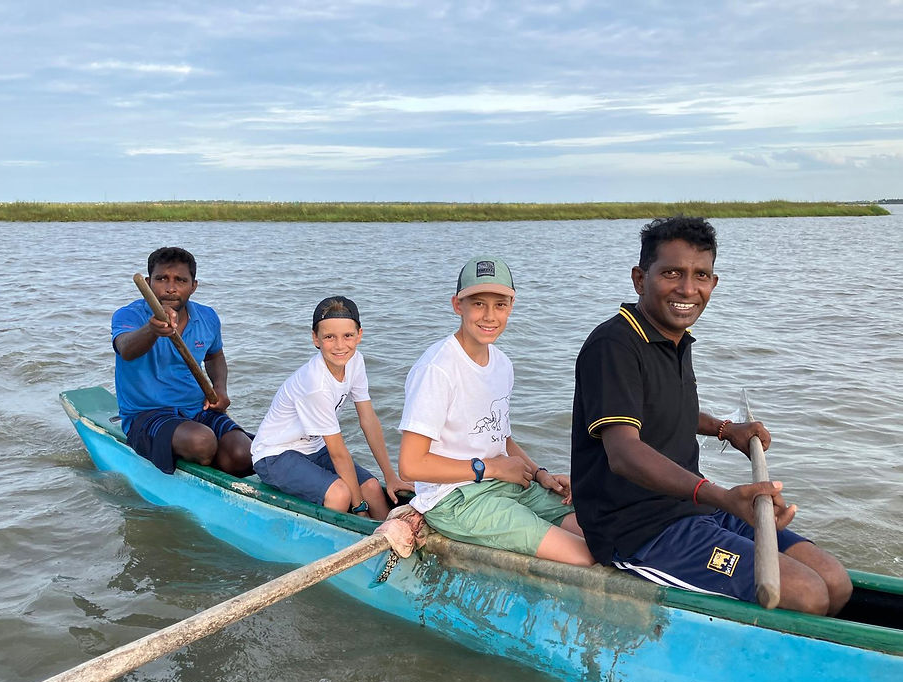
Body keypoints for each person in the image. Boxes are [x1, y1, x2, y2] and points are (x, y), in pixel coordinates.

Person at [570, 216, 852, 615]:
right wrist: (721, 495)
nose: (688, 289)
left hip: (694, 508)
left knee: (835, 580)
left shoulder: (674, 338)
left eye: (700, 275)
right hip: (640, 530)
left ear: (713, 283)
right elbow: (624, 452)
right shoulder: (614, 345)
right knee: (806, 593)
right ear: (639, 279)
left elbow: (664, 408)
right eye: (671, 273)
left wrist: (725, 429)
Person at [398, 257, 593, 565]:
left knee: (597, 531)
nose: (489, 316)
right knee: (584, 556)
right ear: (457, 305)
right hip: (456, 499)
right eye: (478, 304)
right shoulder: (437, 369)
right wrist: (490, 468)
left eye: (500, 305)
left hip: (504, 483)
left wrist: (540, 474)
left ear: (511, 306)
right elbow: (410, 465)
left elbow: (499, 436)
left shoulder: (501, 363)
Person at [251, 297, 410, 521]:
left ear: (359, 335)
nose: (339, 345)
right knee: (340, 495)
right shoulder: (316, 384)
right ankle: (340, 541)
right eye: (329, 337)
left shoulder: (355, 362)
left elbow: (368, 419)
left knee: (373, 488)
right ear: (315, 339)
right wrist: (358, 507)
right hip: (276, 455)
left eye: (348, 336)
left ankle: (387, 544)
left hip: (315, 447)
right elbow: (337, 452)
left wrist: (390, 476)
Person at [112, 247, 253, 476]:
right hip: (146, 414)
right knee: (201, 441)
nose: (170, 288)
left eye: (180, 280)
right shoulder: (128, 315)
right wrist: (152, 329)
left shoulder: (207, 317)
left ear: (193, 286)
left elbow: (214, 355)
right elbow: (125, 349)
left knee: (243, 454)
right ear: (148, 283)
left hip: (197, 411)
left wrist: (219, 389)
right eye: (161, 279)